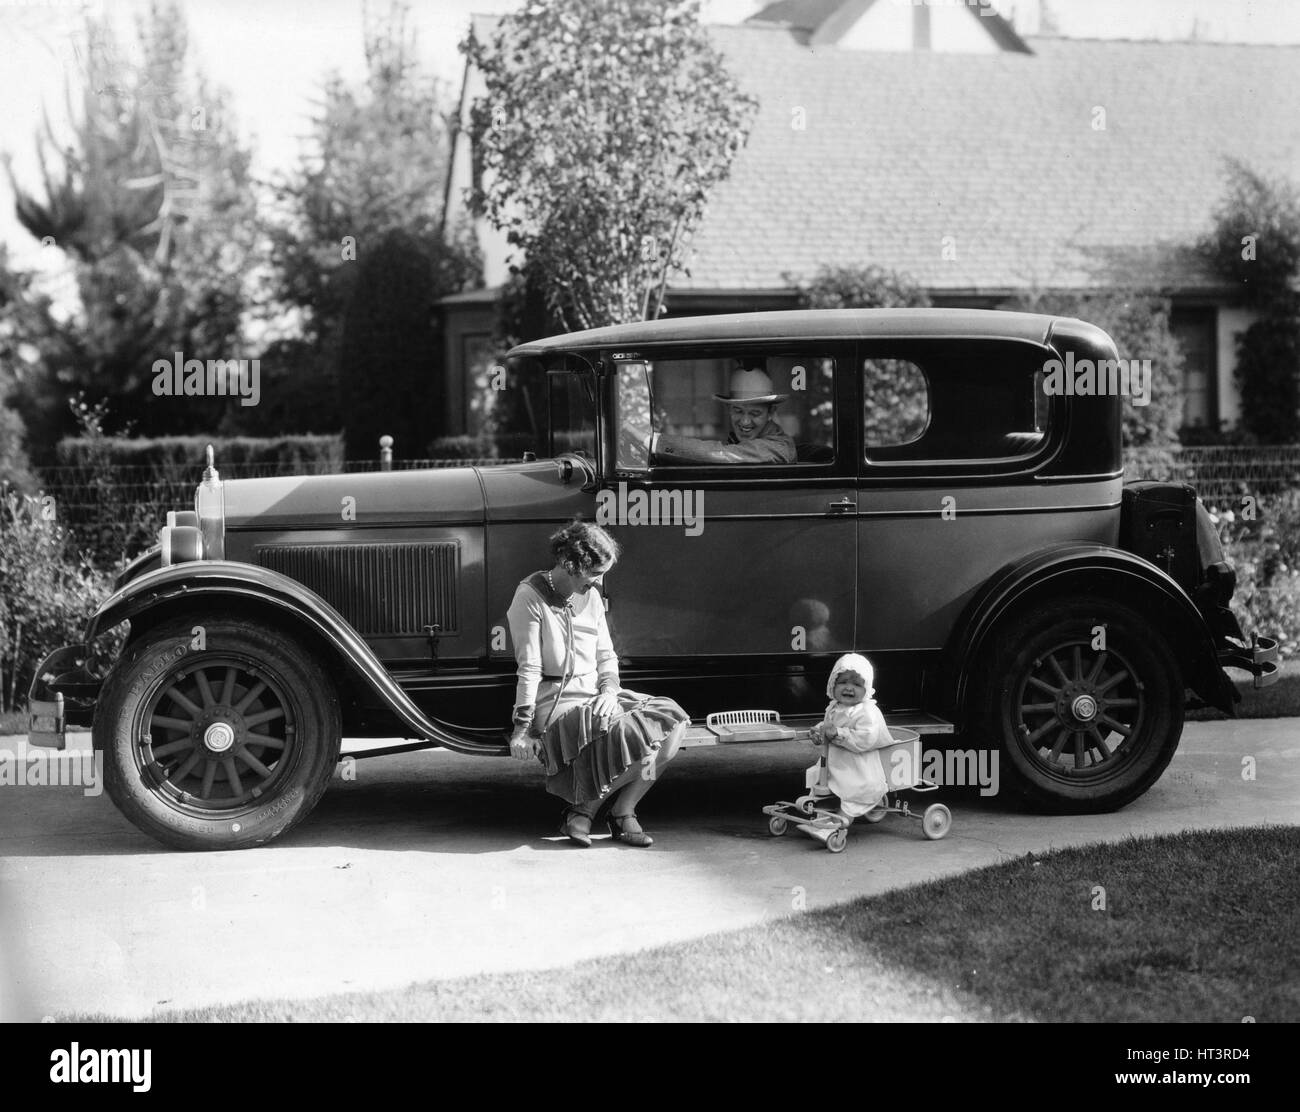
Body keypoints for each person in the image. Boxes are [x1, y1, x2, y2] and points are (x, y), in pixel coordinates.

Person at [507, 521, 689, 847]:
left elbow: (607, 654)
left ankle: (619, 810)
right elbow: (530, 668)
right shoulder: (529, 596)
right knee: (628, 732)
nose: (599, 581)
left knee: (673, 722)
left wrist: (609, 691)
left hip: (596, 693)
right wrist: (522, 729)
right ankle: (585, 813)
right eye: (593, 573)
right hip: (556, 701)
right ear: (569, 565)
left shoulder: (589, 595)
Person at [808, 652, 891, 825]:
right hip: (835, 761)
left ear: (866, 688)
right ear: (833, 684)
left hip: (858, 762)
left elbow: (866, 738)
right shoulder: (834, 707)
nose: (848, 688)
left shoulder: (868, 712)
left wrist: (838, 733)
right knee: (819, 779)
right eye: (843, 682)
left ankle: (841, 821)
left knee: (856, 788)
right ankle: (821, 816)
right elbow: (828, 726)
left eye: (856, 684)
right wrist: (819, 731)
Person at [652, 366, 797, 465]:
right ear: (729, 409)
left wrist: (654, 442)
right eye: (738, 411)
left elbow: (719, 453)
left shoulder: (779, 447)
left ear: (771, 413)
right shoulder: (740, 440)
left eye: (755, 413)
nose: (745, 421)